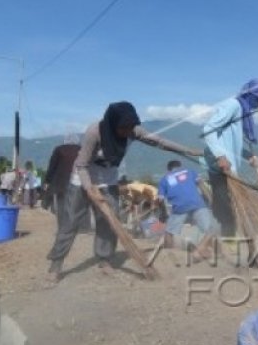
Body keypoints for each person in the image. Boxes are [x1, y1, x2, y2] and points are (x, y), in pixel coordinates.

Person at [46, 101, 202, 283]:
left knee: (109, 222)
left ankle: (104, 260)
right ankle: (56, 265)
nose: (127, 132)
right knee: (69, 222)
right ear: (113, 124)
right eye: (123, 128)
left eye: (130, 128)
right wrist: (89, 189)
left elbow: (159, 142)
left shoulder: (133, 131)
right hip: (82, 180)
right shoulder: (94, 132)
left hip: (109, 181)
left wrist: (189, 151)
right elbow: (81, 165)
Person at [202, 79, 258, 240]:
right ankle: (218, 243)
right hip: (220, 166)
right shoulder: (233, 105)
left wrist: (249, 156)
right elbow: (208, 129)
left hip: (228, 166)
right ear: (249, 95)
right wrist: (220, 156)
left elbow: (231, 144)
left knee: (232, 206)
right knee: (227, 208)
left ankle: (227, 241)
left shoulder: (243, 113)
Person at [157, 160, 219, 256]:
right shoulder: (190, 172)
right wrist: (212, 200)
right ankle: (201, 250)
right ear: (180, 166)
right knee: (211, 229)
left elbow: (160, 199)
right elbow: (202, 185)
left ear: (169, 170)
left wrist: (163, 213)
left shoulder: (164, 179)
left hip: (179, 207)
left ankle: (168, 251)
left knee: (169, 232)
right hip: (197, 204)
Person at [44, 135, 85, 229]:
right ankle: (80, 226)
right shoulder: (82, 150)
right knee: (78, 204)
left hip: (61, 183)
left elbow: (52, 166)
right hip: (78, 182)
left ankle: (63, 226)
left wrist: (47, 180)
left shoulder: (59, 149)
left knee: (62, 205)